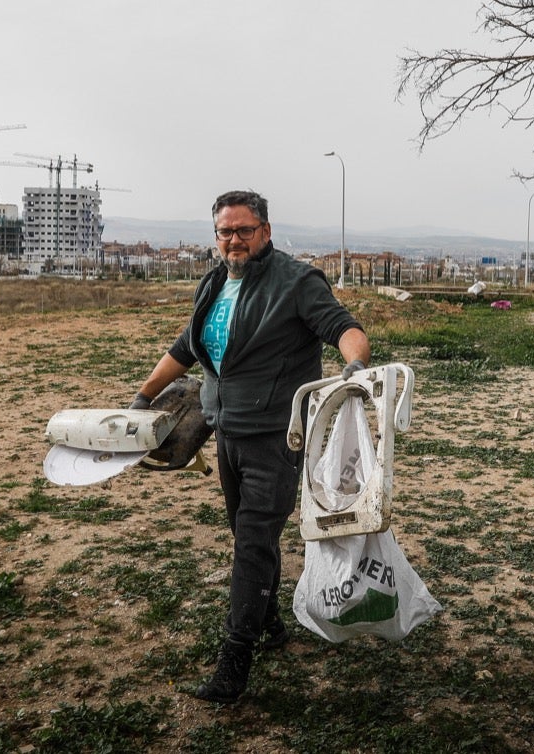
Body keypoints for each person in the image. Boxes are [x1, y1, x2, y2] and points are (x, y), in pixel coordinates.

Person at [134, 190, 370, 703]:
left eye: (244, 230)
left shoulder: (296, 282)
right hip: (227, 431)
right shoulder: (214, 283)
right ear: (216, 236)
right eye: (226, 231)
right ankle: (269, 624)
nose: (234, 240)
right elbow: (186, 348)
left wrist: (355, 366)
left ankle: (234, 662)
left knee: (253, 541)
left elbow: (343, 327)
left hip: (276, 435)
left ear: (265, 231)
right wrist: (143, 397)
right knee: (246, 533)